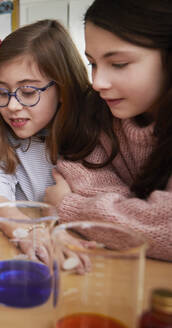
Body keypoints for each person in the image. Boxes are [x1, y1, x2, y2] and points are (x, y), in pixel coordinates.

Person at [44, 0, 172, 261]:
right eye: (92, 63)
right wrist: (137, 214)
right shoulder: (98, 111)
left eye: (119, 64)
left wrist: (70, 206)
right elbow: (82, 175)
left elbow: (167, 229)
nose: (98, 82)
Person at [0, 19, 92, 204]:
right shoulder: (6, 137)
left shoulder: (90, 137)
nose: (12, 106)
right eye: (2, 92)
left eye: (28, 92)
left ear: (63, 89)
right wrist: (4, 212)